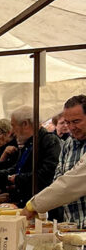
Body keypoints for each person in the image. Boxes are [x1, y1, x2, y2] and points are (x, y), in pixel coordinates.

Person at [0, 107, 61, 207]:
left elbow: (47, 175)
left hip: (41, 207)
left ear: (25, 124)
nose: (11, 131)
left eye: (13, 125)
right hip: (25, 204)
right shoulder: (28, 143)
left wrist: (17, 179)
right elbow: (15, 170)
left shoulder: (49, 141)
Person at [23, 94, 86, 226]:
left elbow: (71, 183)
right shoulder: (68, 144)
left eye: (76, 121)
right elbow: (59, 179)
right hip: (74, 228)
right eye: (68, 122)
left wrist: (33, 205)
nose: (71, 127)